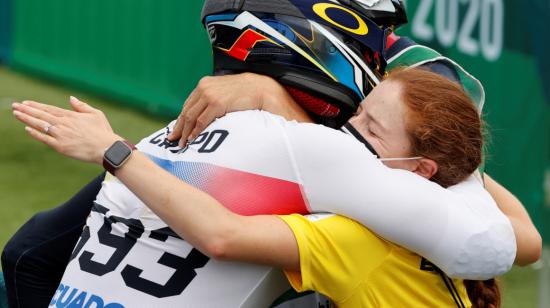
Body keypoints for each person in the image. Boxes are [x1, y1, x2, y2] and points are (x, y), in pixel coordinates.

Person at [2, 0, 541, 306]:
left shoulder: (343, 200)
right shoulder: (345, 176)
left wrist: (115, 150)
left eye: (370, 123)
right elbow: (511, 241)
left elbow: (223, 234)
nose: (357, 125)